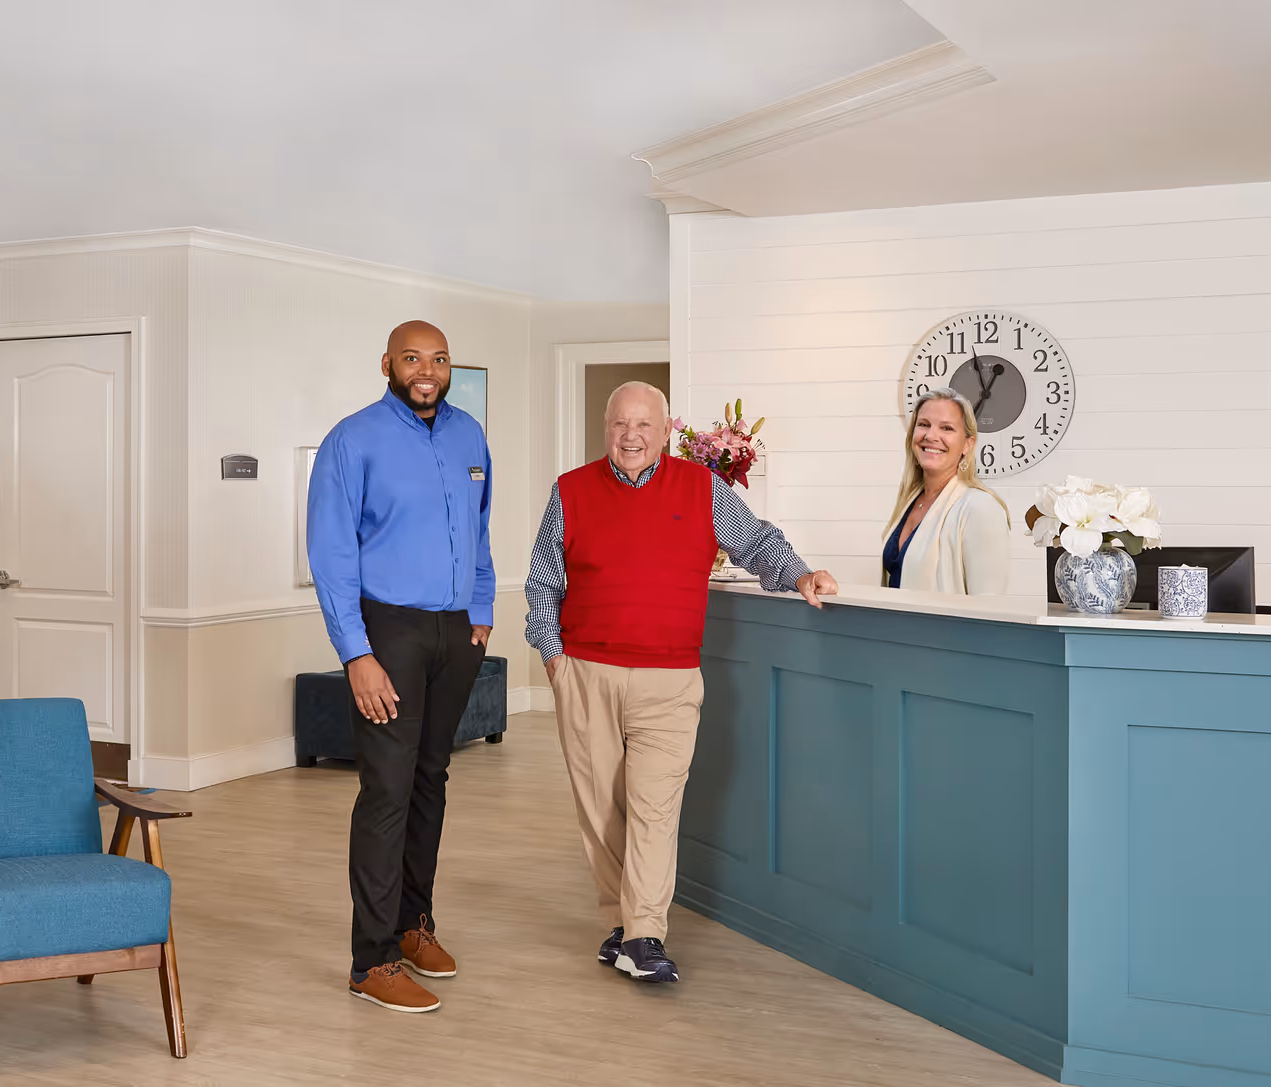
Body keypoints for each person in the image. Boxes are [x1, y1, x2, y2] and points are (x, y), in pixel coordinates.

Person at [522, 381, 836, 984]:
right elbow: (543, 583)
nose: (631, 436)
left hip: (669, 680)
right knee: (601, 808)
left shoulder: (702, 488)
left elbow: (756, 541)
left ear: (666, 432)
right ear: (605, 429)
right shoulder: (571, 491)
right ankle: (620, 924)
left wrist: (798, 575)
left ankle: (644, 935)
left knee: (654, 808)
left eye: (645, 425)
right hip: (586, 672)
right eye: (620, 424)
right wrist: (554, 658)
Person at [306, 320, 494, 1014]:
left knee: (430, 779)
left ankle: (415, 925)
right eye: (413, 357)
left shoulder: (469, 434)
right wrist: (356, 651)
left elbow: (479, 528)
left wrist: (479, 609)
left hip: (455, 633)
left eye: (439, 358)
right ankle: (372, 958)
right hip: (387, 628)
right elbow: (331, 555)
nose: (426, 369)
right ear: (387, 362)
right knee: (386, 789)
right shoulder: (351, 440)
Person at [881, 388, 1012, 595]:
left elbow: (989, 609)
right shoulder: (910, 501)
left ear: (967, 445)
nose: (931, 436)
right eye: (923, 425)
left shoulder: (980, 508)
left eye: (947, 428)